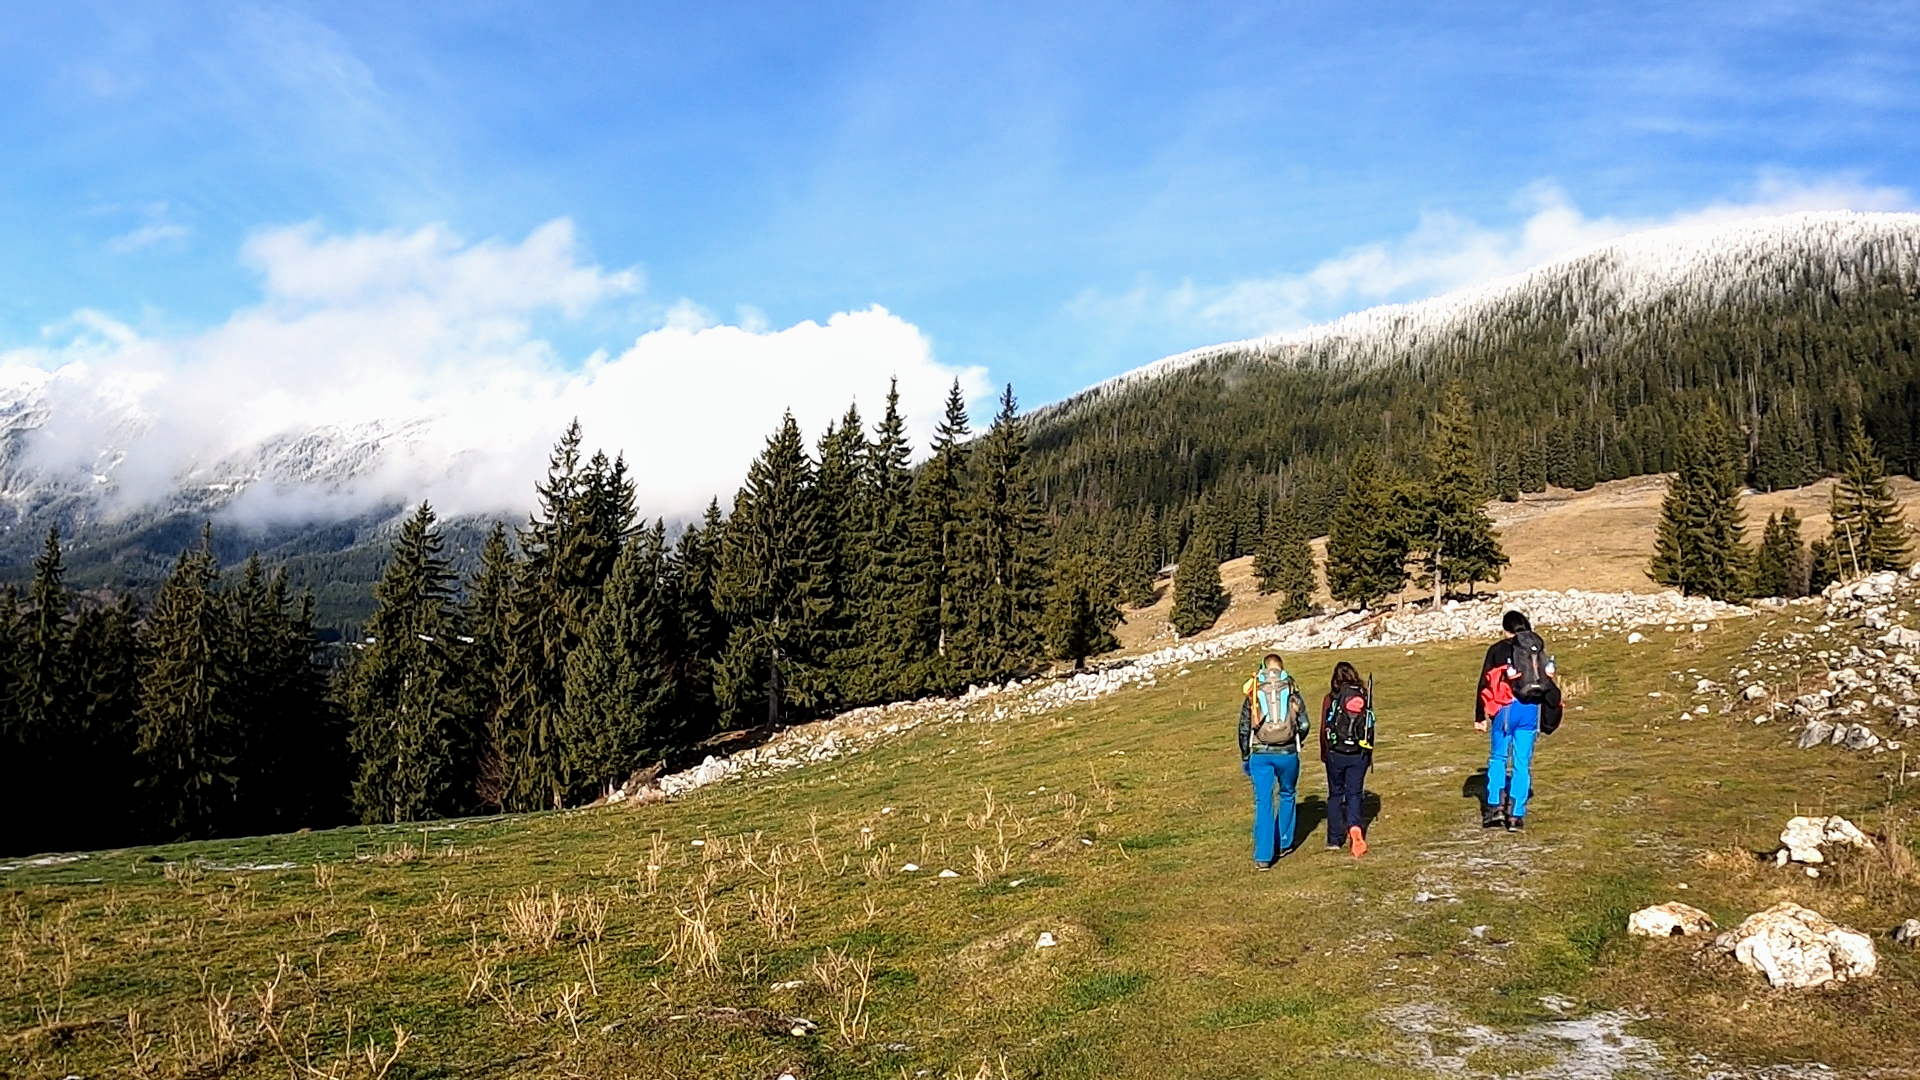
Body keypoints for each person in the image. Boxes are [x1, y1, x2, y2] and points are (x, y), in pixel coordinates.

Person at [1475, 610, 1550, 831]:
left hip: (1505, 708)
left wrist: (1480, 716)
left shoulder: (1497, 650)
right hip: (1531, 709)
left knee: (1499, 757)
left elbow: (1484, 683)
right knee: (1521, 763)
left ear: (1505, 629)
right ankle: (1516, 814)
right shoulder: (1534, 649)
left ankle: (1496, 808)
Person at [1238, 652, 1309, 869]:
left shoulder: (1254, 691)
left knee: (1263, 801)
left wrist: (1245, 755)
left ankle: (1263, 856)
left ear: (1263, 668)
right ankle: (1284, 843)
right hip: (1287, 754)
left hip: (1260, 754)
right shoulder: (1292, 691)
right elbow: (1305, 725)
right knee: (1287, 794)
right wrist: (1297, 740)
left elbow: (1244, 727)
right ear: (1281, 668)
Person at [1320, 661, 1375, 857]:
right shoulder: (1364, 696)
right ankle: (1354, 827)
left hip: (1336, 753)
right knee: (1354, 794)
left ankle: (1334, 839)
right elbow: (1370, 726)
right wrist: (1369, 754)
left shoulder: (1331, 698)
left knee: (1335, 795)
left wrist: (1324, 753)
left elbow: (1323, 728)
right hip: (1358, 753)